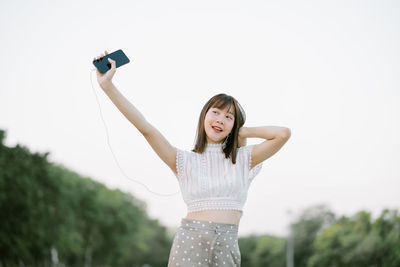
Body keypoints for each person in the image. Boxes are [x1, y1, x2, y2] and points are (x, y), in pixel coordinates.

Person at [94, 51, 291, 267]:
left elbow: (282, 134)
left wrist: (241, 133)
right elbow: (145, 128)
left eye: (229, 117)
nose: (220, 120)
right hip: (190, 242)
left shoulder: (244, 159)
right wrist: (108, 86)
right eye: (215, 112)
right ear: (204, 115)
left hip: (227, 244)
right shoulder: (182, 160)